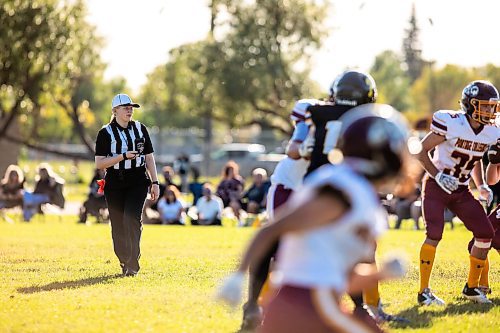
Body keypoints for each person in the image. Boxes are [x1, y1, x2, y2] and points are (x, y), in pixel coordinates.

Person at [217, 106, 410, 333]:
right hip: (309, 307)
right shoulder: (344, 190)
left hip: (308, 306)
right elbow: (273, 229)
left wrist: (381, 274)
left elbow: (341, 279)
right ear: (383, 153)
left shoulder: (356, 189)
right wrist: (238, 275)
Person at [415, 80, 499, 305]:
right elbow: (420, 150)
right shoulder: (452, 123)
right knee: (434, 234)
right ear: (471, 105)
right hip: (436, 186)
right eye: (486, 106)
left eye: (493, 107)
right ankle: (424, 291)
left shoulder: (490, 131)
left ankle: (472, 288)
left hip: (461, 190)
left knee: (485, 233)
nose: (490, 111)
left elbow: (476, 157)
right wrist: (437, 175)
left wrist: (481, 185)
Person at [240, 100, 312, 330]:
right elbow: (293, 150)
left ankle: (267, 306)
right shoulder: (311, 113)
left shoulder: (342, 119)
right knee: (281, 250)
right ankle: (257, 306)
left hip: (310, 191)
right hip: (287, 187)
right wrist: (304, 149)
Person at [94, 93, 160, 277]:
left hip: (138, 180)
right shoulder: (105, 133)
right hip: (115, 181)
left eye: (131, 107)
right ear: (115, 111)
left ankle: (133, 262)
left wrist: (155, 182)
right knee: (117, 224)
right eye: (125, 107)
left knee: (131, 219)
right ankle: (124, 259)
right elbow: (99, 163)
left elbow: (149, 157)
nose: (130, 110)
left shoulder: (140, 128)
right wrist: (122, 156)